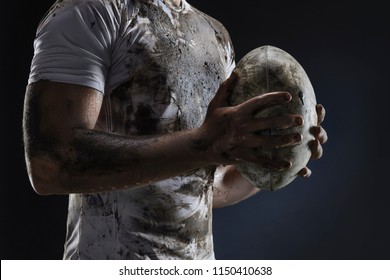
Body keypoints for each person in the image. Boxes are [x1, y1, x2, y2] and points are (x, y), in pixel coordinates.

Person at [23, 0, 327, 260]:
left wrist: (273, 151)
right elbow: (51, 162)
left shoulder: (215, 35)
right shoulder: (89, 11)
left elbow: (201, 187)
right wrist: (204, 145)